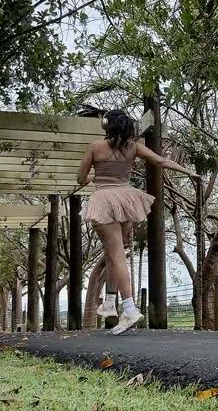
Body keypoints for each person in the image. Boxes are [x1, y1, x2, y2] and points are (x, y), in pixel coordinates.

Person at [77, 109, 200, 335]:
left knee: (116, 255)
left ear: (107, 126)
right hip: (125, 199)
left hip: (104, 199)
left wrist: (94, 177)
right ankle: (110, 302)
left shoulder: (95, 147)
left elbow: (80, 178)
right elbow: (160, 160)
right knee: (114, 253)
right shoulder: (133, 147)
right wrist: (189, 172)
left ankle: (130, 307)